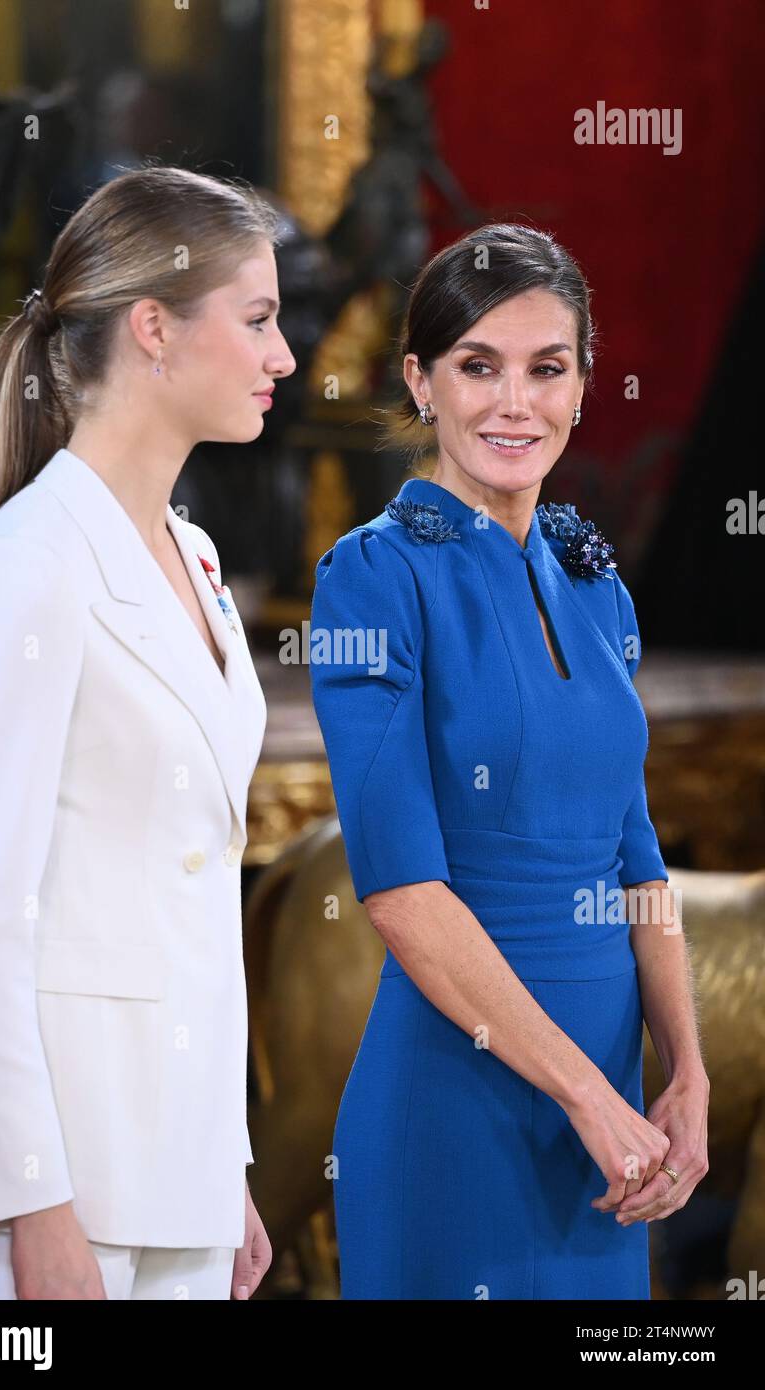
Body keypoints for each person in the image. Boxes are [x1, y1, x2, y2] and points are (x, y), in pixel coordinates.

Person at [0, 164, 296, 1299]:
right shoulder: (28, 568)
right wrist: (38, 1207)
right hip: (39, 1190)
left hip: (169, 1168)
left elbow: (184, 906)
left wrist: (220, 1167)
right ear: (155, 328)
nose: (283, 356)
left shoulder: (201, 557)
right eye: (259, 318)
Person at [309, 223, 709, 1300]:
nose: (513, 403)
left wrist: (687, 1075)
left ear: (582, 386)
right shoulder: (370, 580)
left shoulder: (596, 584)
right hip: (454, 1111)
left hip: (615, 1144)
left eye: (547, 368)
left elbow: (640, 866)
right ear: (419, 382)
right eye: (476, 367)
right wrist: (589, 1098)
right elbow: (399, 890)